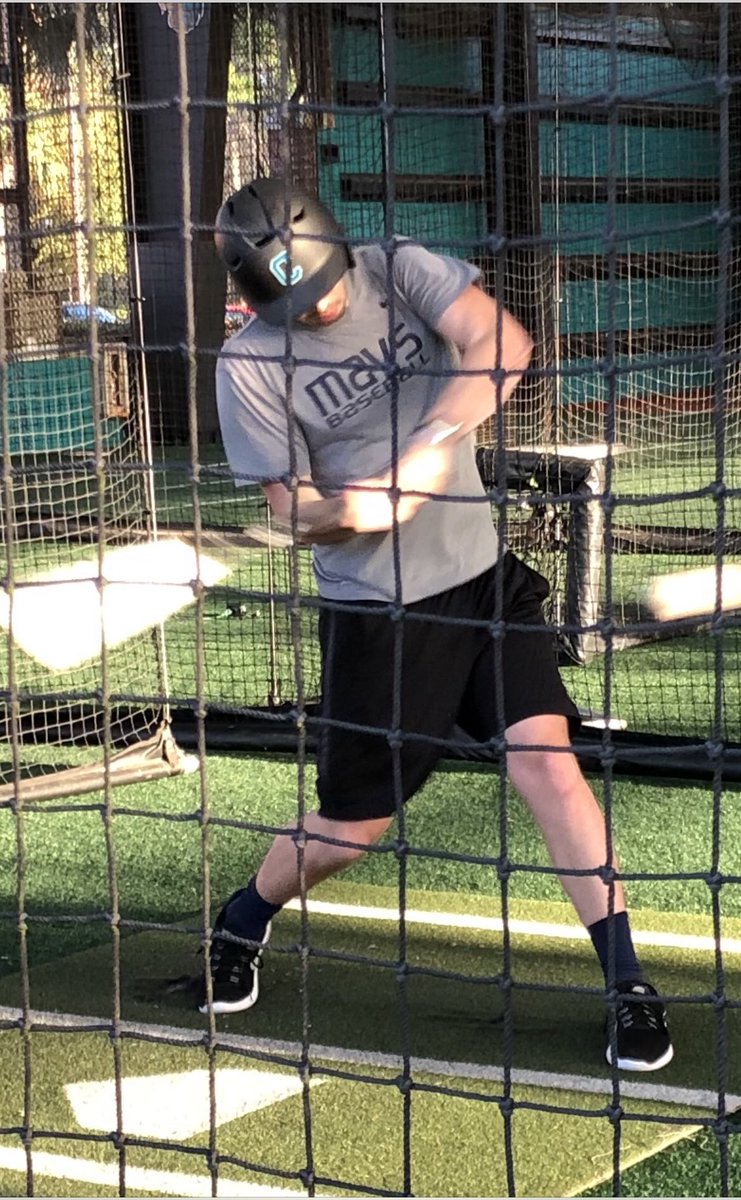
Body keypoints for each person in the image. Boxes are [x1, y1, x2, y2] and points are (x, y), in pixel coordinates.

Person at [207, 177, 673, 1073]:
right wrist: (347, 511)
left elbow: (503, 343)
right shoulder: (251, 367)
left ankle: (627, 983)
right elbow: (291, 509)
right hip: (379, 617)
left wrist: (424, 447)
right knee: (351, 830)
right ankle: (242, 920)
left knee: (550, 767)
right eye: (299, 301)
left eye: (326, 284)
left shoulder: (398, 269)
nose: (323, 305)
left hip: (483, 584)